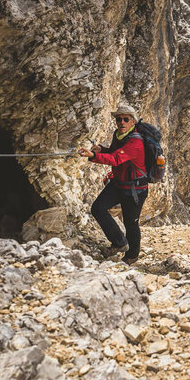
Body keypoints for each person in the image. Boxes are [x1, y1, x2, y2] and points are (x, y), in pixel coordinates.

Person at [78, 103, 147, 265]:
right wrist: (101, 150)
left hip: (134, 188)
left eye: (125, 119)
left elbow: (116, 159)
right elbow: (114, 153)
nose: (121, 122)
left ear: (133, 122)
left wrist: (92, 156)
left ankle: (132, 255)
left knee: (131, 222)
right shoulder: (119, 135)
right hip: (119, 183)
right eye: (118, 119)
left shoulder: (135, 142)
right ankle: (119, 242)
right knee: (98, 208)